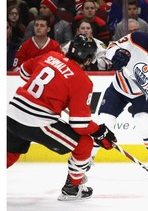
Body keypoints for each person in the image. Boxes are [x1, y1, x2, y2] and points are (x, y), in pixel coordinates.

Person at [7, 34, 118, 201]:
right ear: (88, 59)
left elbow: (24, 72)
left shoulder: (51, 55)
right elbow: (79, 124)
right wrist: (100, 132)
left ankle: (75, 180)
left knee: (10, 152)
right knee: (84, 143)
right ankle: (72, 188)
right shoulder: (82, 80)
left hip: (12, 113)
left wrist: (49, 92)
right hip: (36, 121)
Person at [91, 21, 148, 178]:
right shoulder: (136, 38)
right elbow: (112, 48)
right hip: (119, 87)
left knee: (143, 120)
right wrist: (115, 56)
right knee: (104, 121)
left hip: (141, 94)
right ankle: (87, 157)